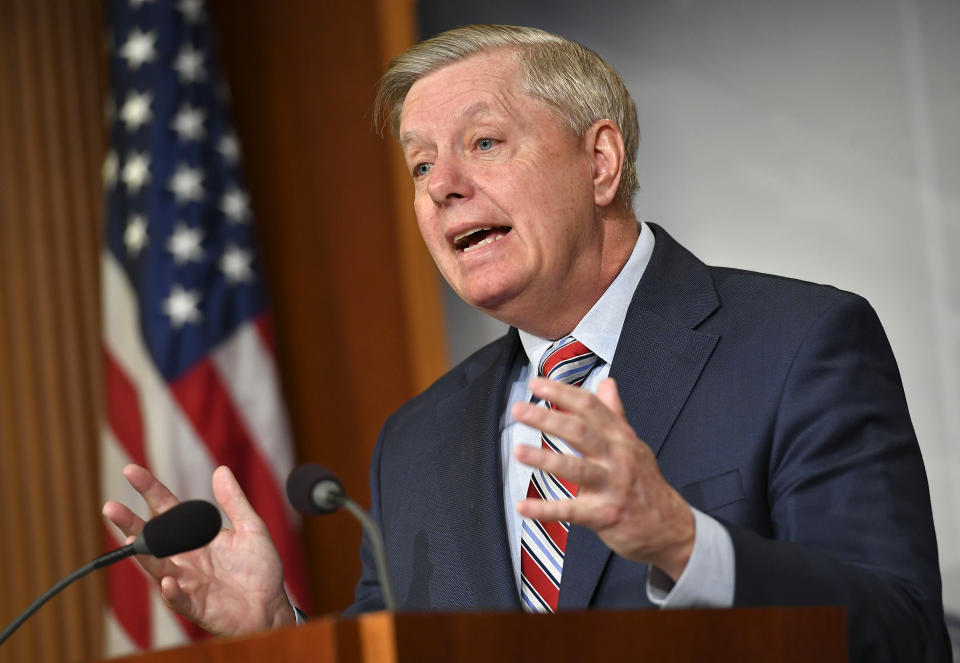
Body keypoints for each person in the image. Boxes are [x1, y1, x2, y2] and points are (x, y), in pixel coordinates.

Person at [103, 24, 951, 661]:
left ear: (601, 162)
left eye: (482, 143)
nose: (442, 188)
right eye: (420, 166)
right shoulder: (416, 440)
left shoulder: (801, 343)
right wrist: (272, 630)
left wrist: (683, 542)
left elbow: (907, 634)